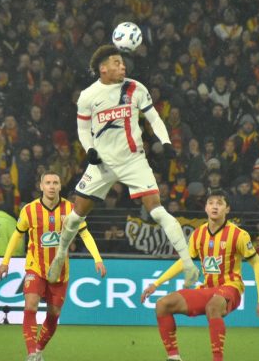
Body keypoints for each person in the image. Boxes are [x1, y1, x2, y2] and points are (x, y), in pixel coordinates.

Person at [47, 44, 199, 287]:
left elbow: (154, 118)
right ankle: (60, 255)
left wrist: (166, 141)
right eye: (117, 63)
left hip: (133, 160)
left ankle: (188, 264)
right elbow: (83, 130)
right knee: (75, 216)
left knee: (158, 211)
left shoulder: (135, 88)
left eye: (122, 62)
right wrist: (90, 151)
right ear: (103, 68)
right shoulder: (87, 96)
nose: (123, 66)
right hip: (103, 163)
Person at [141, 189, 259, 361]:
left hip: (230, 288)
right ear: (205, 208)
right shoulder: (199, 234)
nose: (214, 207)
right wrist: (156, 284)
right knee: (162, 305)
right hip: (207, 289)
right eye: (211, 203)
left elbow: (257, 264)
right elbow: (184, 261)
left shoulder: (238, 234)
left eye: (219, 203)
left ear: (227, 209)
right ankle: (174, 357)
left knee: (213, 307)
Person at [0, 171, 106, 361]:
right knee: (30, 306)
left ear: (60, 186)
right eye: (48, 182)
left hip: (60, 270)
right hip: (35, 266)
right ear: (41, 186)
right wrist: (5, 261)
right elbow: (17, 234)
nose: (52, 186)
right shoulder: (29, 210)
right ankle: (31, 353)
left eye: (55, 182)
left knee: (54, 314)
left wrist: (97, 258)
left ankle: (39, 350)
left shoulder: (71, 209)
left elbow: (85, 234)